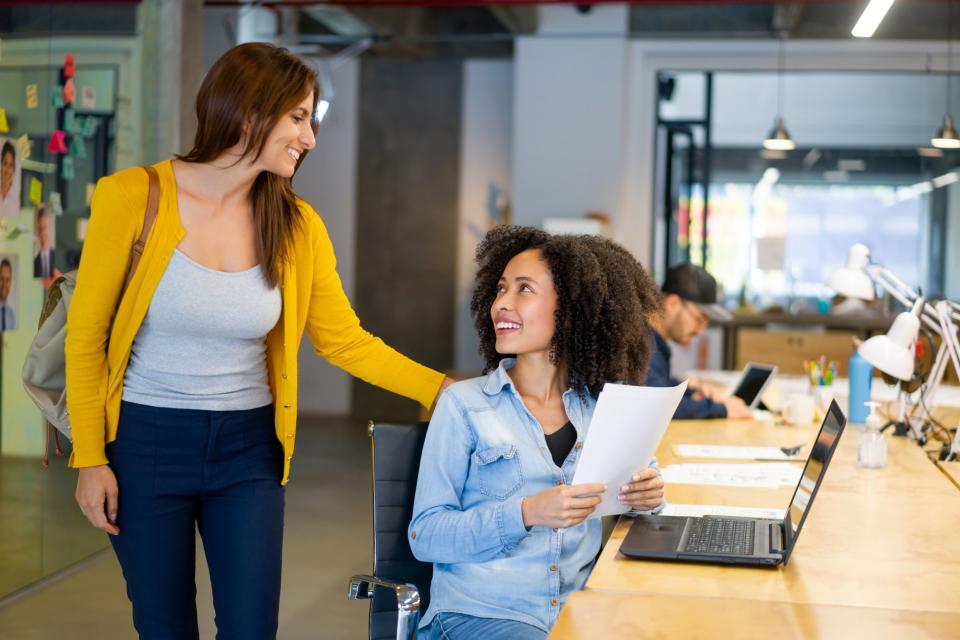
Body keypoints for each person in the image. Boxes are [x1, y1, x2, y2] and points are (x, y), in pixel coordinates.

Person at [66, 42, 452, 640]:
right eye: (298, 117)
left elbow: (344, 341)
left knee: (251, 630)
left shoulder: (297, 225)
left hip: (249, 451)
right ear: (249, 113)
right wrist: (90, 458)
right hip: (145, 445)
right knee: (164, 627)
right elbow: (86, 338)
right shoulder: (130, 198)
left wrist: (444, 388)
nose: (310, 137)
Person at [409, 226, 666, 639]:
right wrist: (526, 514)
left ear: (571, 309)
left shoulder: (602, 409)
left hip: (578, 612)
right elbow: (426, 536)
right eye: (500, 290)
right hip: (480, 615)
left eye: (524, 290)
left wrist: (648, 496)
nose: (501, 305)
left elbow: (643, 500)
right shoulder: (464, 406)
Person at [645, 262, 752, 419]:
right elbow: (657, 404)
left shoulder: (654, 342)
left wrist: (691, 391)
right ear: (672, 303)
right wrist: (722, 409)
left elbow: (659, 385)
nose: (701, 331)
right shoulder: (642, 344)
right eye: (699, 319)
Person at [34, 204, 56, 278]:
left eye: (45, 227)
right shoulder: (34, 263)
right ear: (37, 231)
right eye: (41, 228)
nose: (43, 232)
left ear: (49, 228)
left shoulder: (55, 256)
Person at [1, 140, 20, 218]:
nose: (7, 170)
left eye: (11, 165)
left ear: (14, 169)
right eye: (5, 163)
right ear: (1, 166)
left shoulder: (16, 200)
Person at [0, 258, 15, 331]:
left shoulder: (11, 315)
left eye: (7, 280)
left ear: (10, 282)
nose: (4, 284)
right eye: (1, 279)